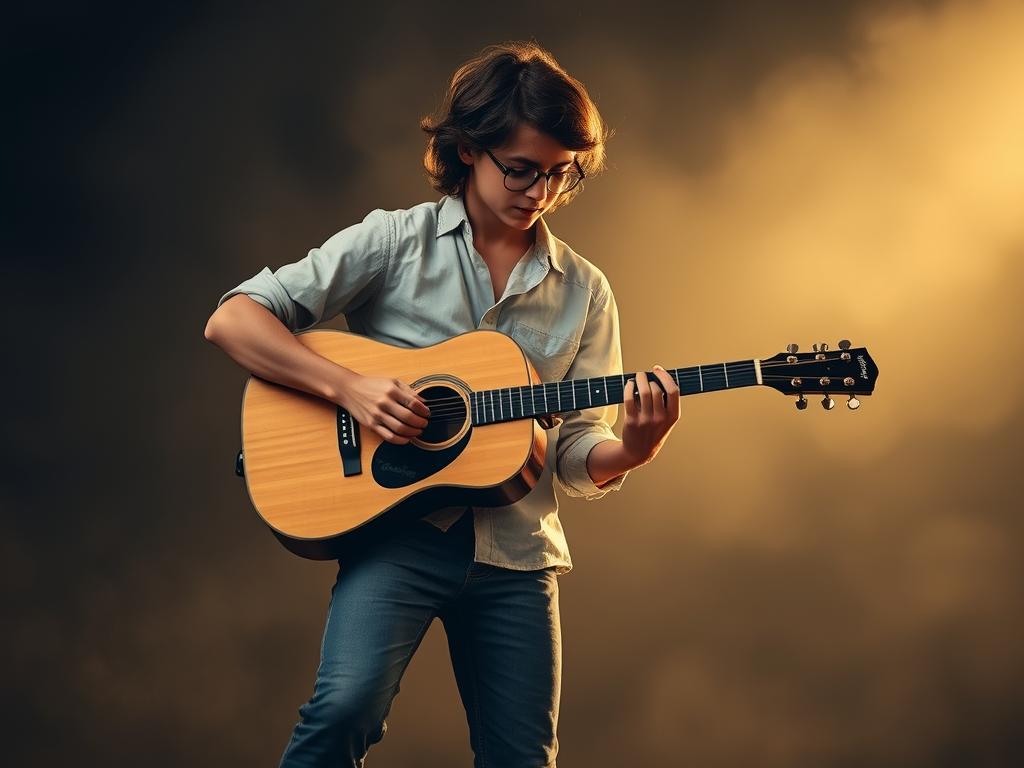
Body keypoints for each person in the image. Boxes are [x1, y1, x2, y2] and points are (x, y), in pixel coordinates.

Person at [204, 41, 681, 768]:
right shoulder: (393, 243)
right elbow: (234, 319)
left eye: (560, 174)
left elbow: (579, 450)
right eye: (520, 170)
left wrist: (634, 450)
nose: (540, 191)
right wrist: (351, 388)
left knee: (523, 759)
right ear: (467, 150)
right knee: (342, 711)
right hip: (398, 532)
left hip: (517, 557)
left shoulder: (586, 291)